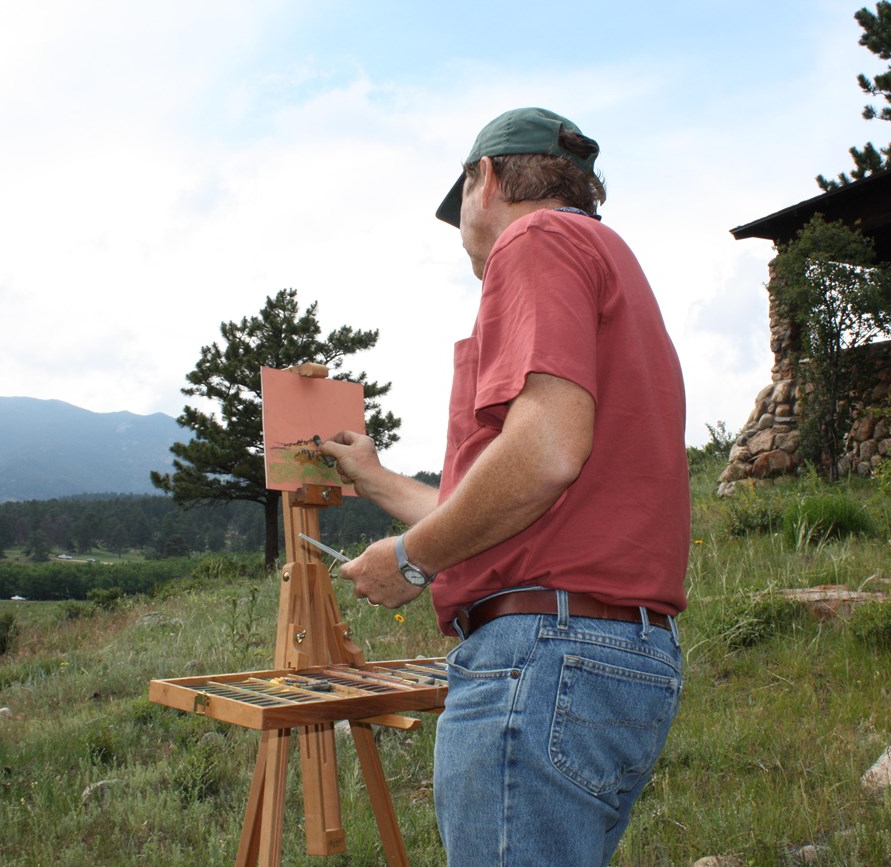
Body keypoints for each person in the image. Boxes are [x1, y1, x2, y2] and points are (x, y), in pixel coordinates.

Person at [319, 107, 689, 867]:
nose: (462, 231)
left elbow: (546, 450)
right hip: (612, 658)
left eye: (459, 208)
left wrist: (412, 560)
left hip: (542, 658)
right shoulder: (607, 258)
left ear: (483, 179)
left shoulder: (537, 239)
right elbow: (516, 510)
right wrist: (379, 480)